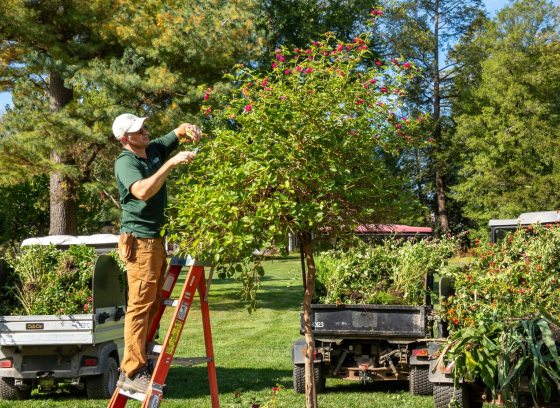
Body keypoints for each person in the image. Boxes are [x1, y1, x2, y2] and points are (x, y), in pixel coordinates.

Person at [112, 113, 202, 394]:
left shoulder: (152, 149)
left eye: (145, 127)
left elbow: (177, 131)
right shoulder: (126, 162)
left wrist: (190, 129)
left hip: (156, 241)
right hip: (139, 242)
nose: (146, 132)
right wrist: (170, 164)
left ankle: (142, 360)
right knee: (139, 306)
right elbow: (141, 191)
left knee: (153, 303)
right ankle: (132, 369)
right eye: (139, 131)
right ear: (125, 139)